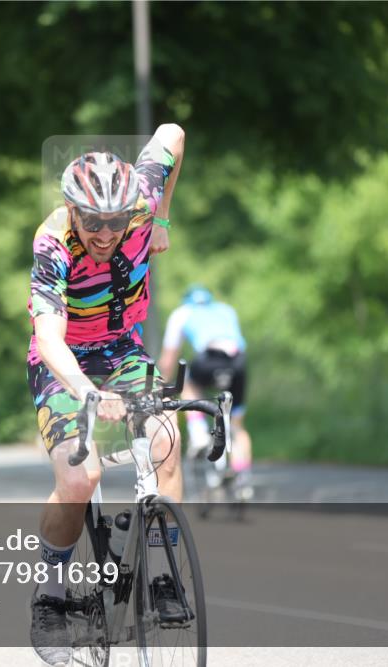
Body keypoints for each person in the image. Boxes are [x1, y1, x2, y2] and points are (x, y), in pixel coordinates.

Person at [27, 124, 185, 666]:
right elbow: (47, 336)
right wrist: (87, 393)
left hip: (123, 349)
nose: (103, 233)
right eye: (91, 221)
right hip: (65, 359)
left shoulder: (140, 198)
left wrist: (161, 217)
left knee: (166, 437)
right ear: (71, 210)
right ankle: (49, 599)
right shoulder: (52, 242)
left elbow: (173, 133)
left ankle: (164, 578)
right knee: (80, 477)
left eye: (113, 223)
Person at [159, 285, 252, 490]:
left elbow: (168, 360)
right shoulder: (226, 309)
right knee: (237, 425)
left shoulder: (181, 313)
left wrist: (160, 386)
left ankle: (199, 432)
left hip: (208, 359)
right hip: (238, 362)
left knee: (189, 384)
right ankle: (242, 476)